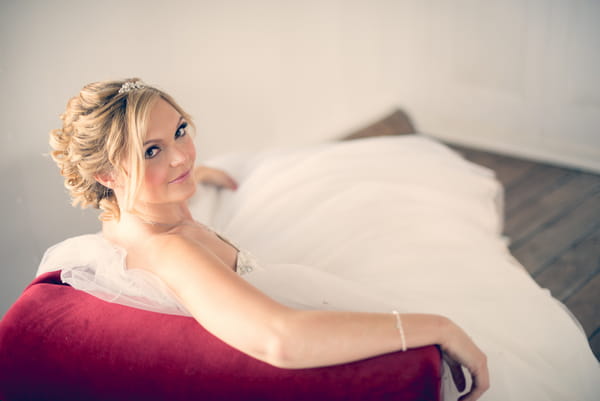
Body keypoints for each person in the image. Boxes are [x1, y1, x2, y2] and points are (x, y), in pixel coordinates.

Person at [41, 79, 598, 401]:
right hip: (301, 302)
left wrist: (192, 176)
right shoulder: (172, 251)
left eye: (180, 130)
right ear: (108, 176)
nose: (184, 154)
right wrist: (438, 325)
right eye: (151, 151)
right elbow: (280, 338)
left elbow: (175, 176)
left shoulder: (122, 215)